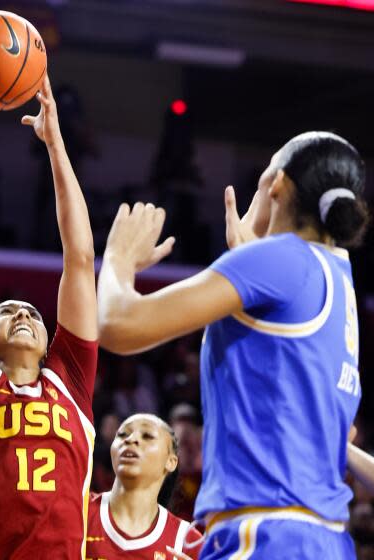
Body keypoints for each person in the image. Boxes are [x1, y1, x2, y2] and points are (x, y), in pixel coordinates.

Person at [97, 131, 369, 558]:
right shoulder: (338, 276)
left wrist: (117, 258)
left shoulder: (280, 260)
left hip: (265, 534)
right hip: (323, 539)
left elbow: (118, 325)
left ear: (276, 185)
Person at [0, 74, 99, 558]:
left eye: (30, 311)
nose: (23, 313)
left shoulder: (70, 379)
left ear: (52, 342)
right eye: (5, 311)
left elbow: (80, 258)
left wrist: (56, 145)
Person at [86, 414, 202, 560]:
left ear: (171, 462)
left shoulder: (188, 543)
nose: (130, 439)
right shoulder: (79, 510)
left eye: (147, 436)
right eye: (122, 434)